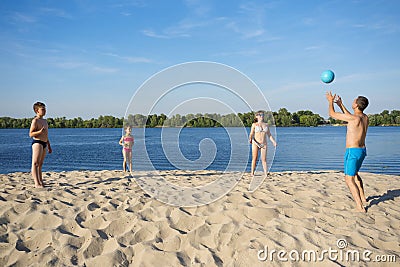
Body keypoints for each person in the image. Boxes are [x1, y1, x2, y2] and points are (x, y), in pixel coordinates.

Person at [326, 92, 369, 212]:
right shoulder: (364, 117)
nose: (353, 101)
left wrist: (330, 101)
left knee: (349, 179)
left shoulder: (354, 118)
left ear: (356, 105)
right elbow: (351, 117)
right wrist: (341, 105)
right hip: (362, 151)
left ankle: (360, 207)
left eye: (354, 100)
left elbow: (332, 114)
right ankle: (363, 198)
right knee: (355, 174)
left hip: (352, 151)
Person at [29, 102, 52, 188]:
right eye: (42, 109)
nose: (45, 111)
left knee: (40, 164)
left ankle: (40, 181)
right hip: (37, 143)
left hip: (44, 143)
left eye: (45, 109)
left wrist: (49, 145)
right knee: (35, 163)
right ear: (36, 110)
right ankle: (36, 183)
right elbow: (31, 134)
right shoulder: (35, 121)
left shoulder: (45, 121)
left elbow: (46, 135)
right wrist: (39, 132)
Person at [249, 110, 277, 177]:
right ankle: (252, 173)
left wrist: (273, 142)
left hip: (264, 143)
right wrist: (250, 138)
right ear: (257, 116)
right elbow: (251, 133)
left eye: (262, 115)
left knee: (264, 159)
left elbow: (269, 135)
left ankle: (265, 173)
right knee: (254, 158)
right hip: (255, 143)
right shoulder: (254, 125)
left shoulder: (266, 125)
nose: (261, 116)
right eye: (260, 115)